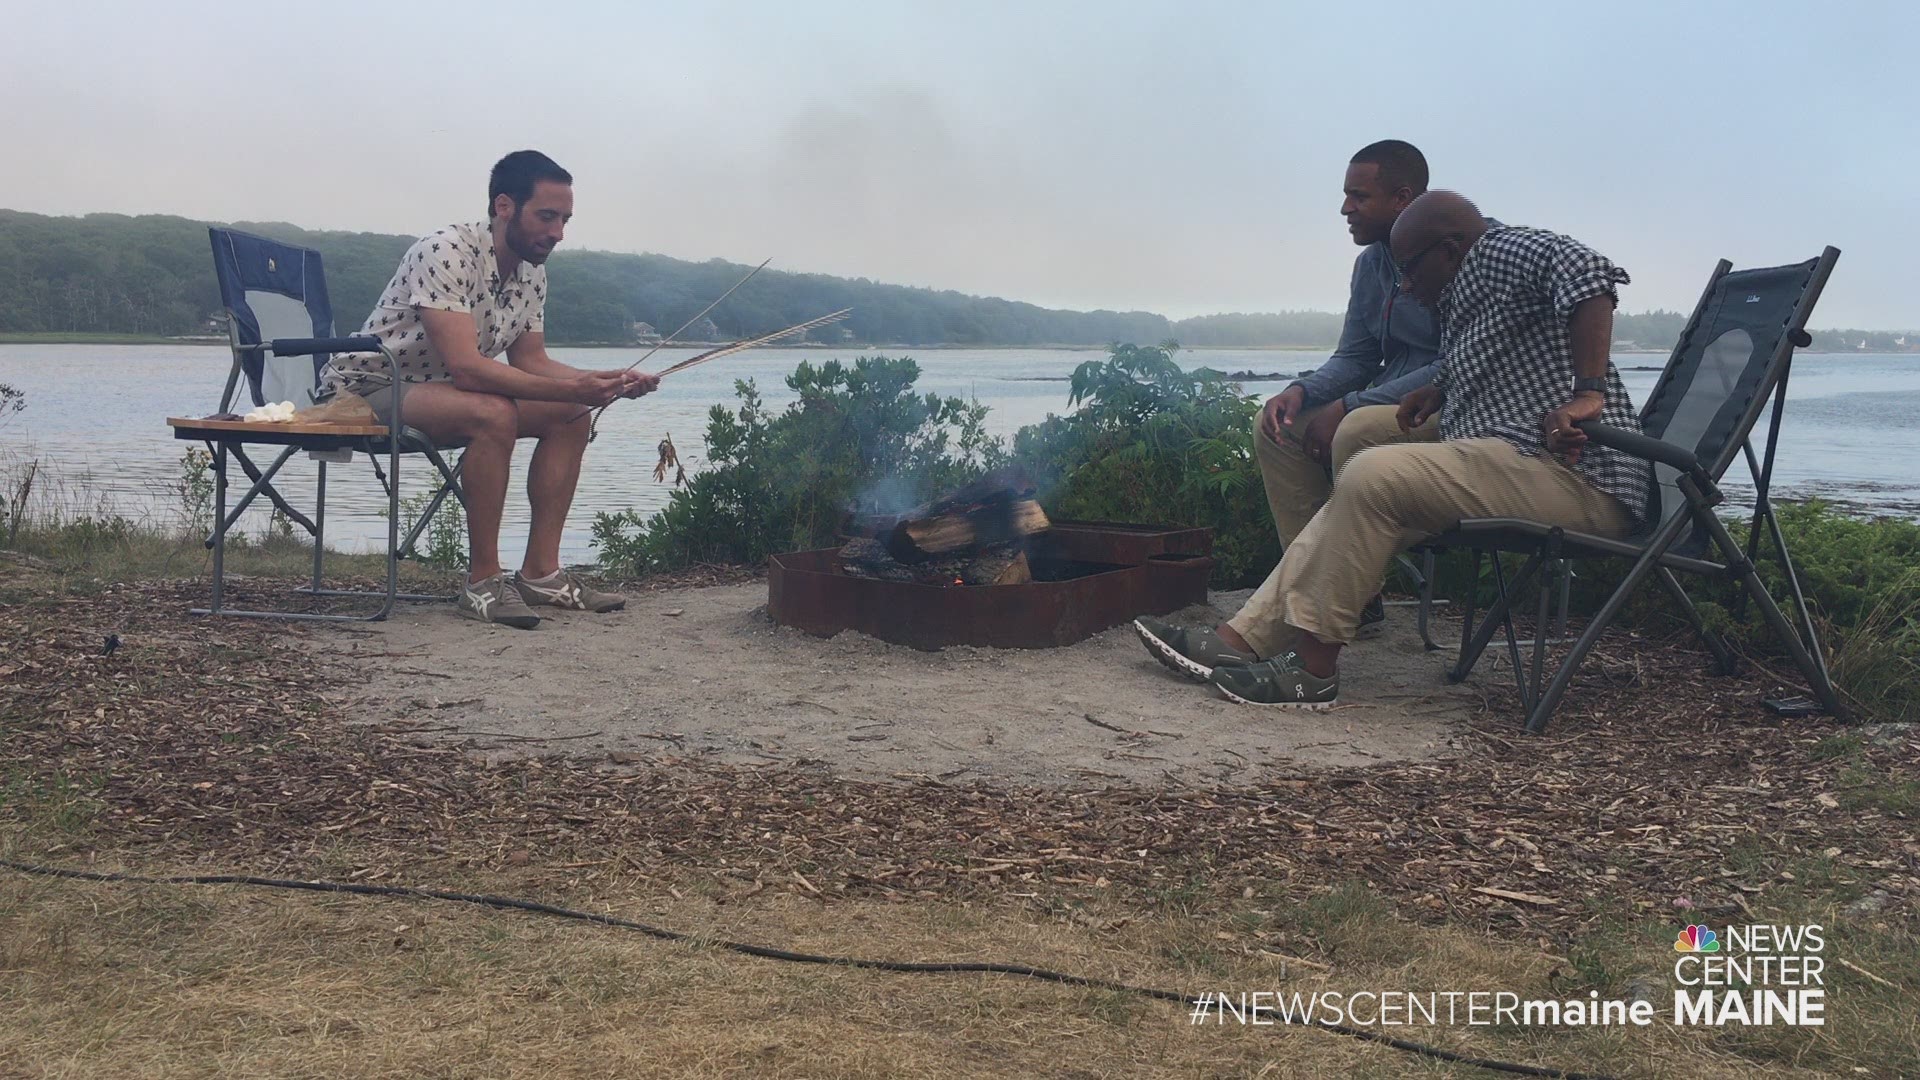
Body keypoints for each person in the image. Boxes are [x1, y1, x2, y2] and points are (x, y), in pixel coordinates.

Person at [1150, 191, 1652, 707]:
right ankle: (1243, 640)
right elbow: (1499, 353)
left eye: (1410, 269)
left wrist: (1589, 392)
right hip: (1517, 459)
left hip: (1581, 478)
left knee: (1374, 476)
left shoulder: (1499, 249)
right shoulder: (1464, 291)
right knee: (1360, 490)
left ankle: (1312, 671)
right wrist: (1442, 388)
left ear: (1451, 250)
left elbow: (1589, 273)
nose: (1406, 285)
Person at [1135, 140, 1443, 678]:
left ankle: (1313, 609)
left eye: (1357, 196)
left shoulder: (1460, 253)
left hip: (1447, 408)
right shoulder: (1372, 265)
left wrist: (1350, 403)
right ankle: (1355, 599)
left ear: (1403, 199)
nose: (1345, 209)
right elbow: (1357, 354)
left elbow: (1459, 363)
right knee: (1276, 425)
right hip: (1385, 401)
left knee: (1359, 428)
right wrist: (1303, 391)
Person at [317, 150, 658, 630]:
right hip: (362, 392)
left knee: (572, 412)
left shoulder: (532, 272)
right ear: (503, 206)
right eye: (546, 216)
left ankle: (542, 573)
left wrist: (602, 382)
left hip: (436, 392)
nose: (558, 232)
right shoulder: (445, 250)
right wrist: (572, 387)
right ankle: (482, 584)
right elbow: (468, 370)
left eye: (565, 219)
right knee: (492, 412)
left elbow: (531, 361)